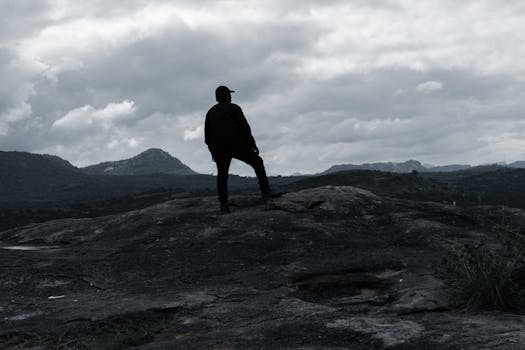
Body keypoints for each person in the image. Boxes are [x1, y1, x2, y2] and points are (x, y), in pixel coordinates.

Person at [205, 85, 272, 213]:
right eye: (229, 94)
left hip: (220, 149)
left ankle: (224, 204)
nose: (230, 96)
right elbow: (245, 129)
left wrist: (213, 153)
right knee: (258, 162)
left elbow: (207, 138)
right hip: (237, 146)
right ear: (226, 95)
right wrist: (252, 145)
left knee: (222, 175)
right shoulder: (234, 108)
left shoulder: (210, 112)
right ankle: (266, 193)